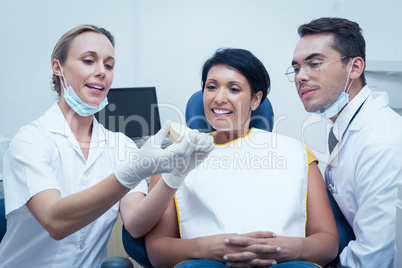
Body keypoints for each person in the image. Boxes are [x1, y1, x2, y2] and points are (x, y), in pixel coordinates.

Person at [0, 24, 214, 267]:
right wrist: (132, 171)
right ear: (57, 67)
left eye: (109, 65)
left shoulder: (120, 146)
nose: (102, 71)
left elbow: (135, 223)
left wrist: (176, 174)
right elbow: (55, 221)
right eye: (89, 61)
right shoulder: (30, 140)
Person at [144, 48, 338, 268]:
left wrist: (285, 249)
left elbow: (328, 242)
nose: (219, 98)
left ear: (256, 99)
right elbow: (157, 249)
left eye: (234, 89)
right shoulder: (172, 158)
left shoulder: (297, 153)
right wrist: (206, 249)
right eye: (211, 87)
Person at [288, 17, 402, 267]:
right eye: (296, 68)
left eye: (314, 64)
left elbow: (374, 257)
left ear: (354, 68)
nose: (301, 76)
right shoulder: (342, 128)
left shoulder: (381, 141)